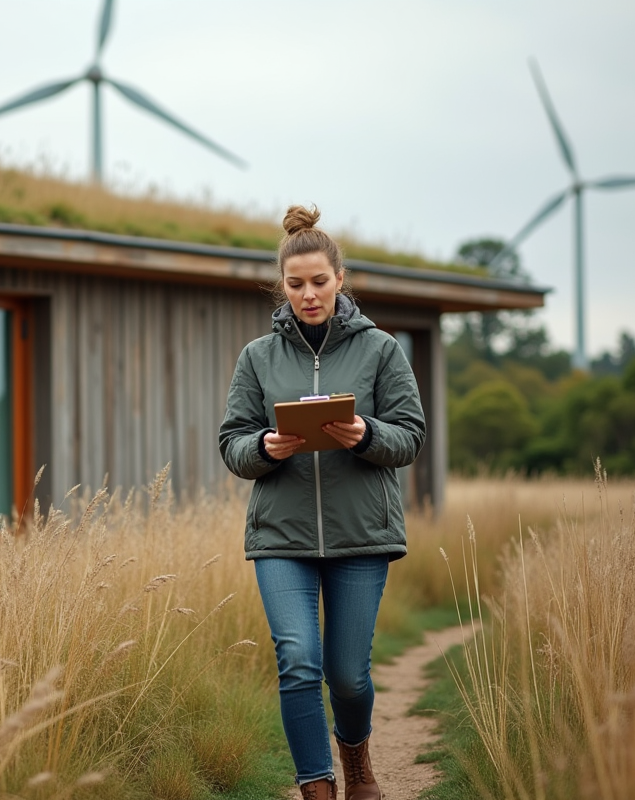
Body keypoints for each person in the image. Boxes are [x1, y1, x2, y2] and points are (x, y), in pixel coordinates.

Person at [218, 205, 426, 800]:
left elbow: (410, 436)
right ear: (280, 287)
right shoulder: (257, 358)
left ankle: (357, 762)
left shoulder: (382, 350)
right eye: (295, 284)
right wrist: (265, 446)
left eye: (318, 282)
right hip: (281, 538)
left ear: (340, 279)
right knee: (298, 662)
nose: (308, 294)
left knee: (348, 677)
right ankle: (319, 787)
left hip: (362, 535)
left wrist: (367, 435)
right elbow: (233, 445)